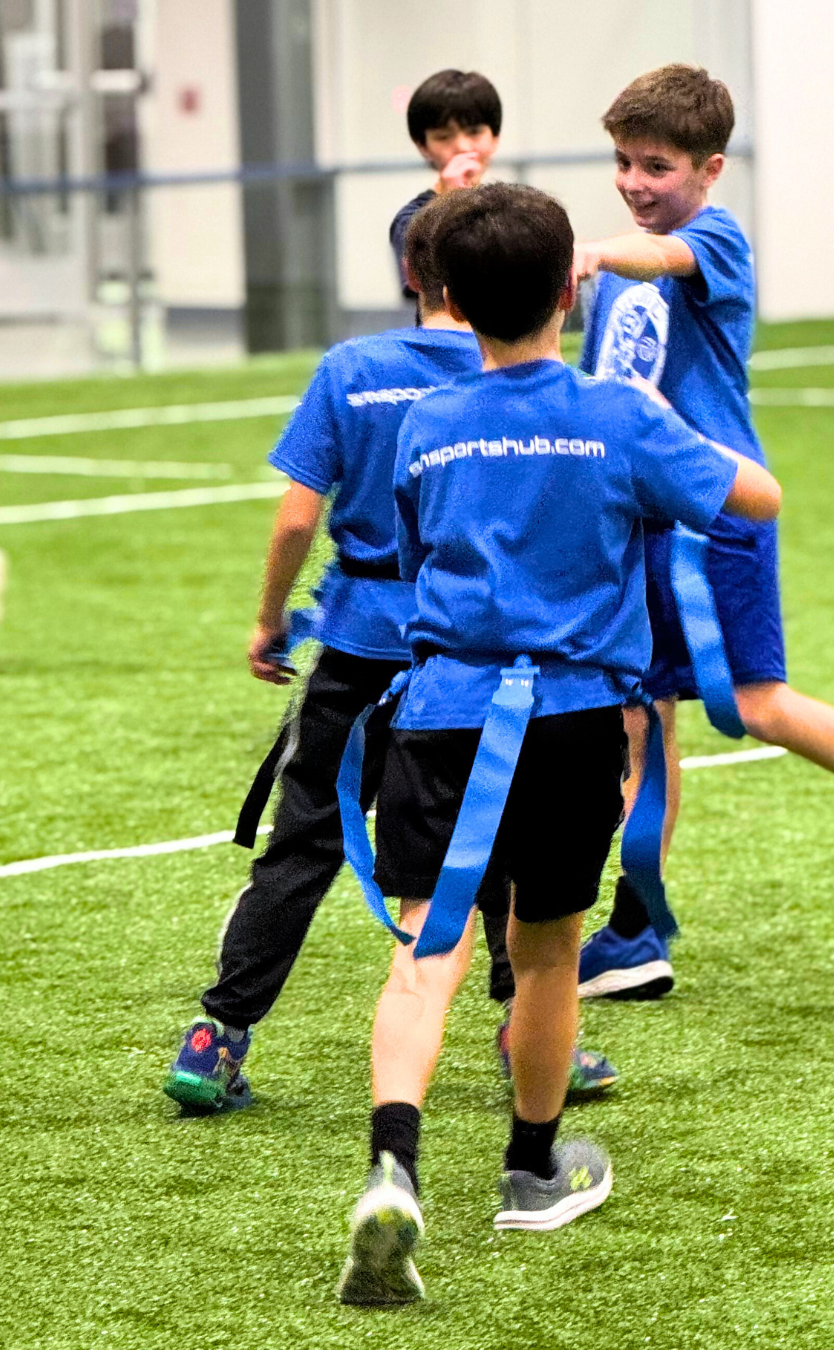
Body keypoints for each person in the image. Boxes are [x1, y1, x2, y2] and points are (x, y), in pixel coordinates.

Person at [337, 181, 781, 1304]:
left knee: (423, 954)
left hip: (443, 715)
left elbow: (412, 551)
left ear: (446, 294)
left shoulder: (426, 422)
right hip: (574, 722)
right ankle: (532, 1171)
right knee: (543, 953)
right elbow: (758, 499)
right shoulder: (619, 416)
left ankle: (393, 1169)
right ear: (570, 293)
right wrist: (676, 434)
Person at [163, 197, 616, 1114]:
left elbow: (297, 518)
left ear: (413, 273)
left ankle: (218, 1035)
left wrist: (269, 620)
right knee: (502, 841)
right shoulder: (518, 377)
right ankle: (531, 1037)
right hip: (470, 655)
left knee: (304, 843)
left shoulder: (353, 369)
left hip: (359, 643)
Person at [573, 64, 834, 1001]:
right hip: (634, 525)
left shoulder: (711, 240)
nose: (635, 182)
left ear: (709, 170)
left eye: (657, 166)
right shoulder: (621, 267)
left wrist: (589, 251)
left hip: (719, 518)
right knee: (641, 721)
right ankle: (635, 933)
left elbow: (662, 259)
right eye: (623, 162)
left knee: (755, 704)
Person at [388, 69, 502, 300]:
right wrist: (452, 204)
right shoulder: (409, 219)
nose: (462, 146)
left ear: (495, 138)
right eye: (443, 136)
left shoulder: (512, 210)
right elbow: (425, 288)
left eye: (475, 132)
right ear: (423, 146)